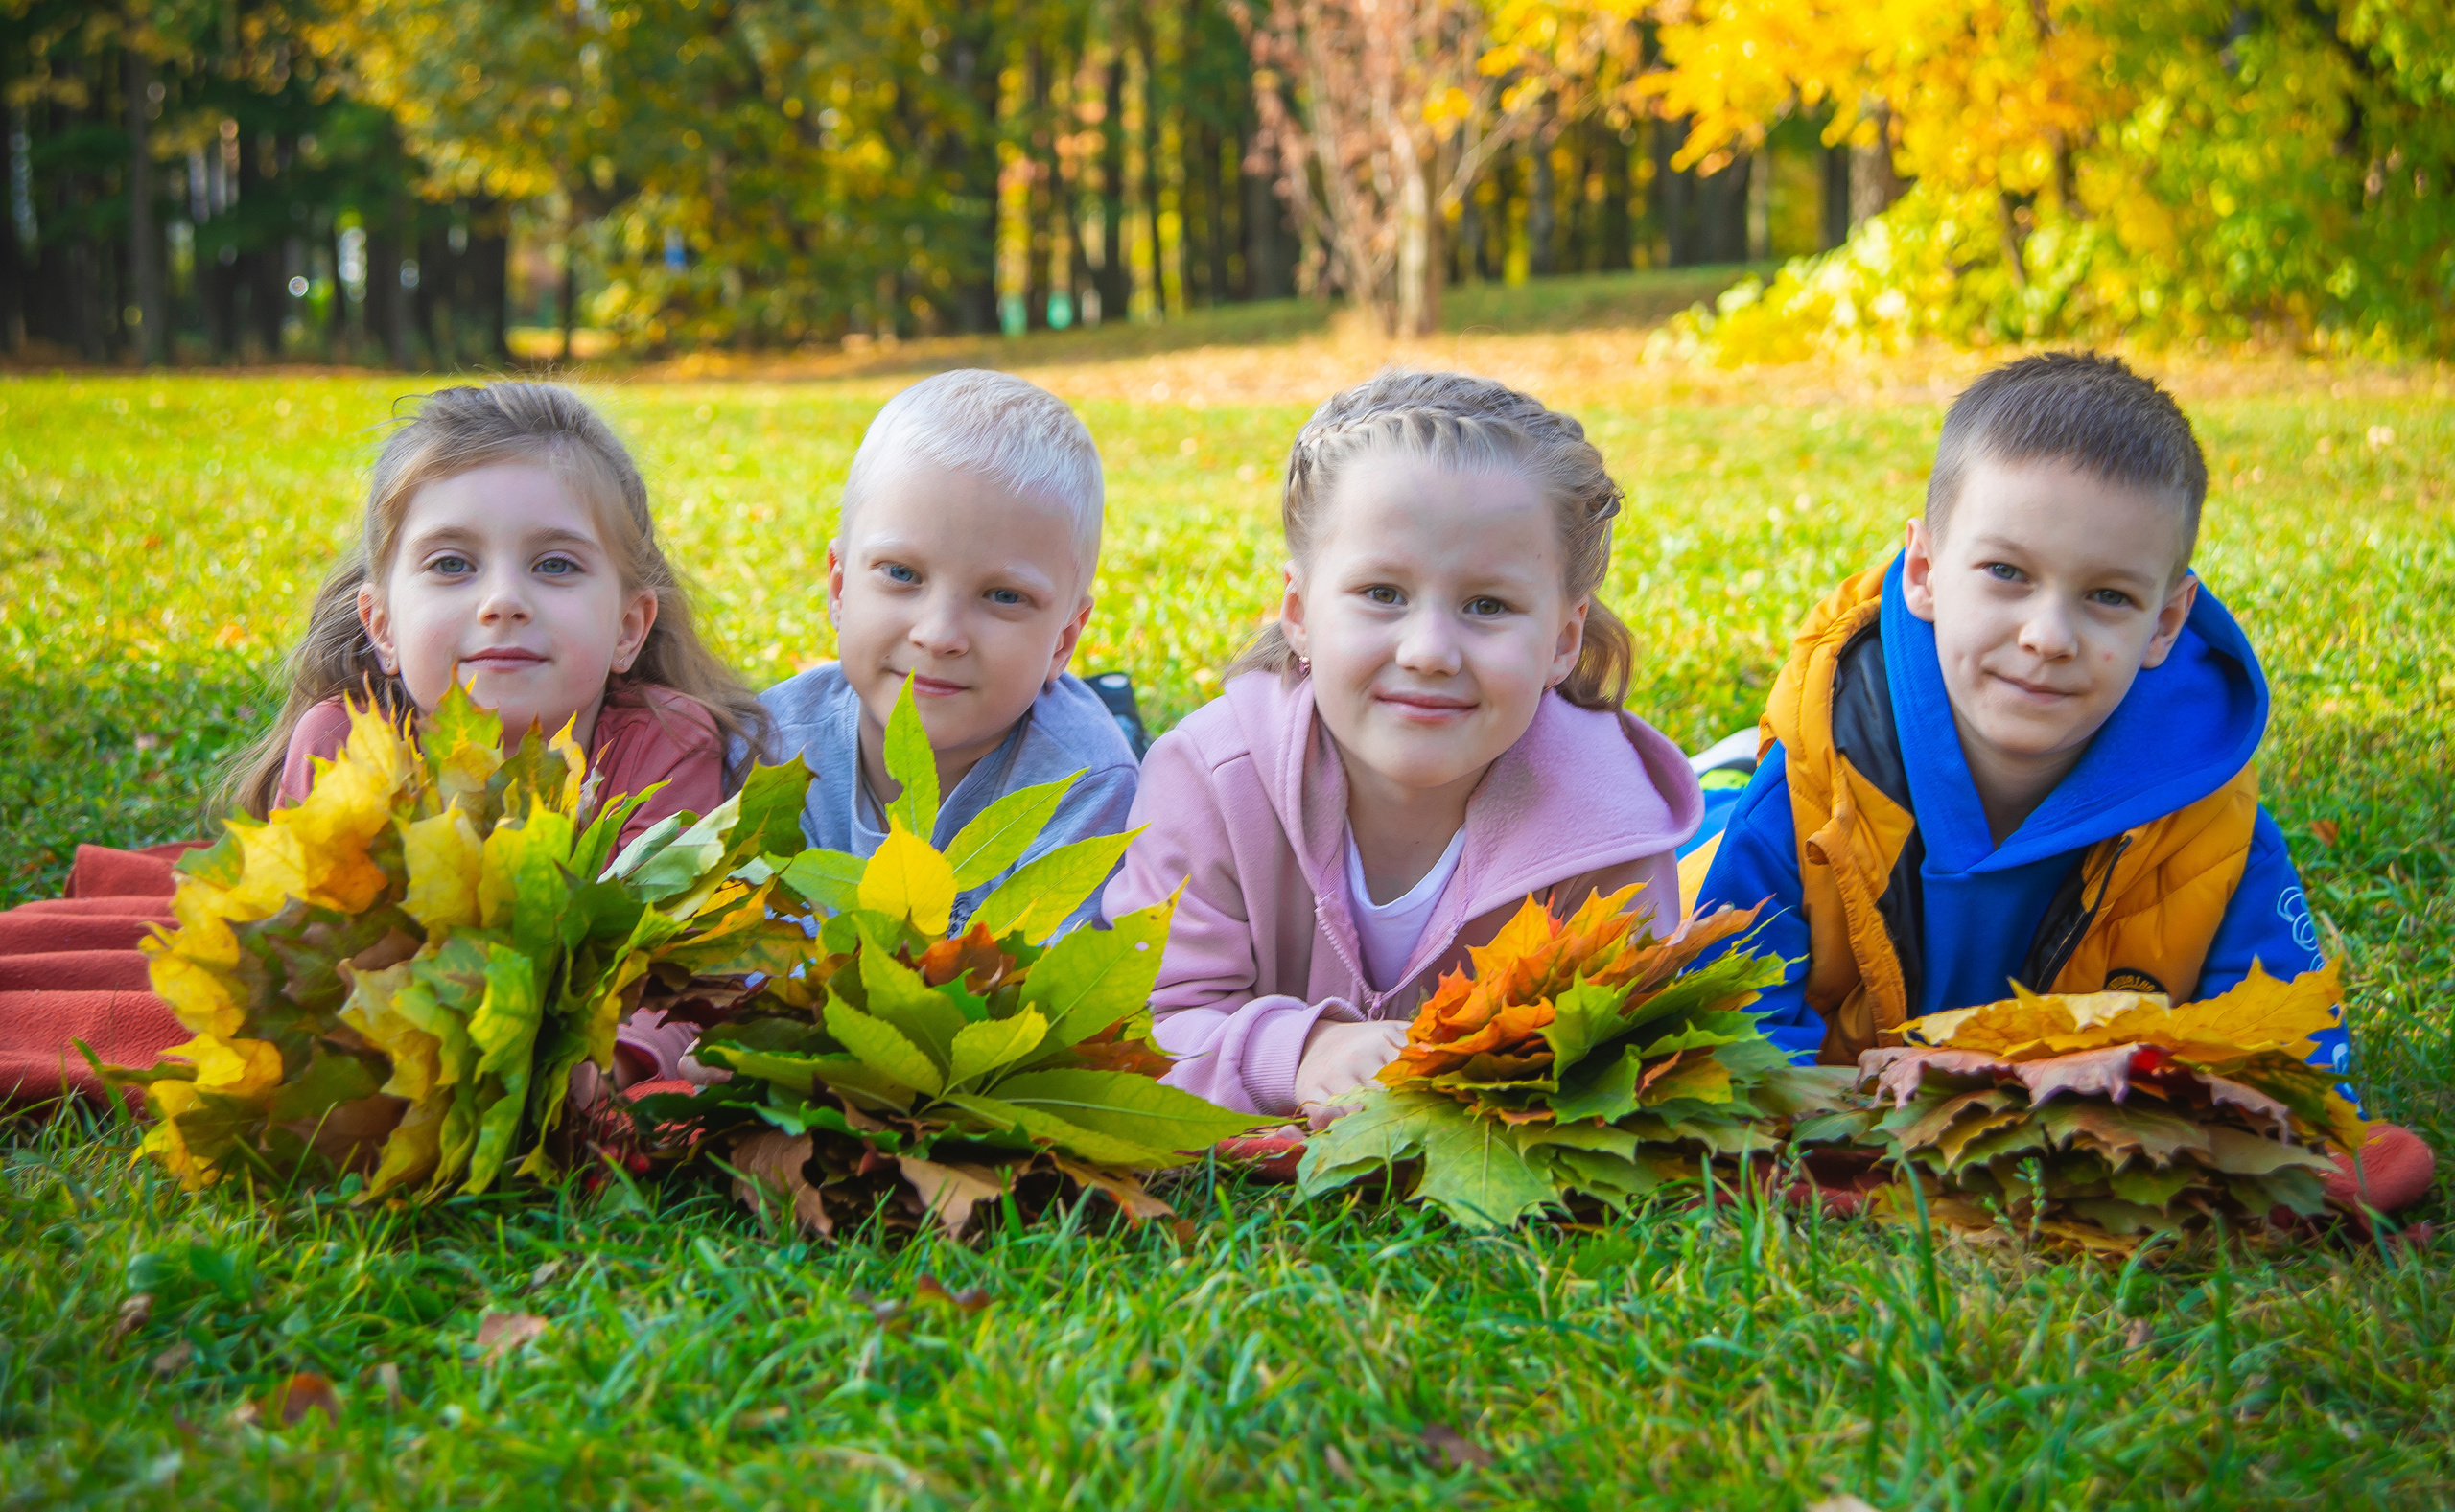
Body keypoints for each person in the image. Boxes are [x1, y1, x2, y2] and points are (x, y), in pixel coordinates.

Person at [1, 382, 763, 1104]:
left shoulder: (662, 744)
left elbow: (675, 962)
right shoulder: (345, 744)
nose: (502, 601)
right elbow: (302, 965)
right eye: (452, 564)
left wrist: (614, 1058)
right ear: (384, 626)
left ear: (630, 625)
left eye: (555, 565)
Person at [1102, 370, 1703, 1118]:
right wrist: (1297, 1053)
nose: (1428, 651)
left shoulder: (1609, 827)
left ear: (1564, 639)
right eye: (1383, 593)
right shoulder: (1210, 781)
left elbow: (1626, 1059)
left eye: (1487, 605)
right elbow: (1141, 1023)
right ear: (1298, 610)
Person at [760, 369, 1139, 935]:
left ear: (1063, 639)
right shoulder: (771, 746)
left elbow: (1049, 1006)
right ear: (840, 589)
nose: (939, 635)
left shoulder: (1086, 789)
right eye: (902, 574)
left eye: (1004, 595)